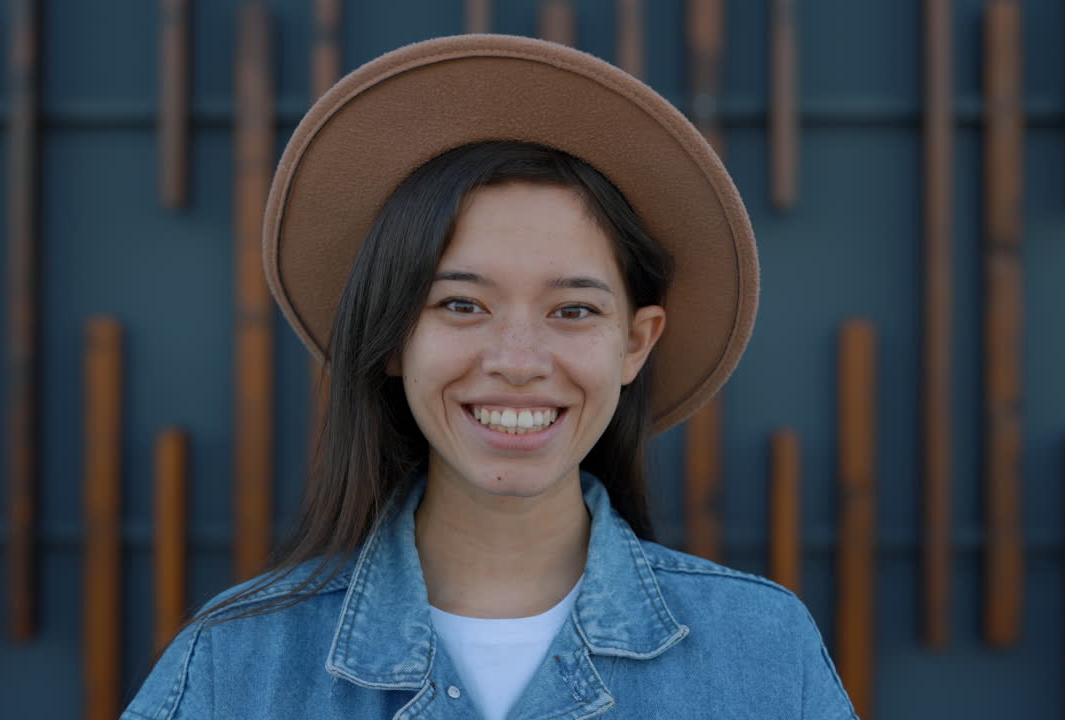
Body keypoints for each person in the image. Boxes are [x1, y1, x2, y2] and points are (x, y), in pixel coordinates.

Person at [123, 35, 856, 720]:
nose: (516, 360)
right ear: (391, 338)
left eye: (572, 310)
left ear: (635, 343)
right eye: (461, 304)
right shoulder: (235, 664)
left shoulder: (761, 651)